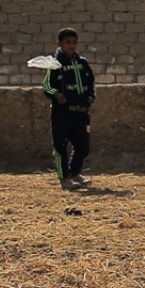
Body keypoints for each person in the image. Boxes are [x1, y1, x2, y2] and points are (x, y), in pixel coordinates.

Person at [42, 28, 96, 191]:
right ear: (59, 44)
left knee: (82, 146)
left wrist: (90, 98)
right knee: (61, 146)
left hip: (81, 112)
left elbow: (91, 83)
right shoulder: (55, 64)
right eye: (68, 43)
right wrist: (57, 95)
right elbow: (47, 86)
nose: (71, 46)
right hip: (63, 113)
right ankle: (64, 178)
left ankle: (75, 173)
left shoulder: (82, 63)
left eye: (74, 43)